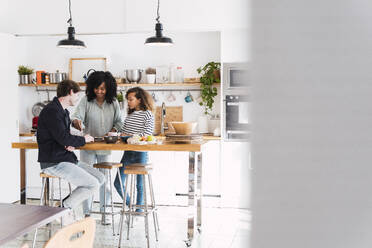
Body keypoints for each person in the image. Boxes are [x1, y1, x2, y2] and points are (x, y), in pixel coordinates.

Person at [37, 80, 105, 221]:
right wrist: (82, 140)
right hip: (54, 161)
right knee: (92, 184)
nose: (77, 98)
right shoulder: (52, 111)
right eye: (77, 95)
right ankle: (64, 207)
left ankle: (64, 205)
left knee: (100, 178)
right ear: (70, 92)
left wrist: (70, 143)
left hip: (66, 157)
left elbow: (64, 137)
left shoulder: (64, 111)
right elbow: (63, 138)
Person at [71, 71, 123, 223]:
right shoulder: (86, 101)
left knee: (104, 180)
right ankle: (87, 214)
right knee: (87, 180)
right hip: (87, 146)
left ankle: (105, 212)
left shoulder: (113, 103)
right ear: (91, 87)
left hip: (105, 146)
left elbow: (119, 122)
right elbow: (76, 117)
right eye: (96, 88)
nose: (99, 92)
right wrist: (77, 122)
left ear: (109, 89)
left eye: (103, 89)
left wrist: (113, 131)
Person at [114, 87, 154, 212]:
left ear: (139, 100)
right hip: (128, 152)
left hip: (141, 153)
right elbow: (123, 132)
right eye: (128, 100)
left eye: (131, 99)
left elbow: (146, 134)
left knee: (140, 185)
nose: (129, 102)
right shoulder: (129, 116)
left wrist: (129, 136)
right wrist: (121, 134)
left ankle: (139, 211)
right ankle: (131, 205)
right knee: (117, 183)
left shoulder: (148, 114)